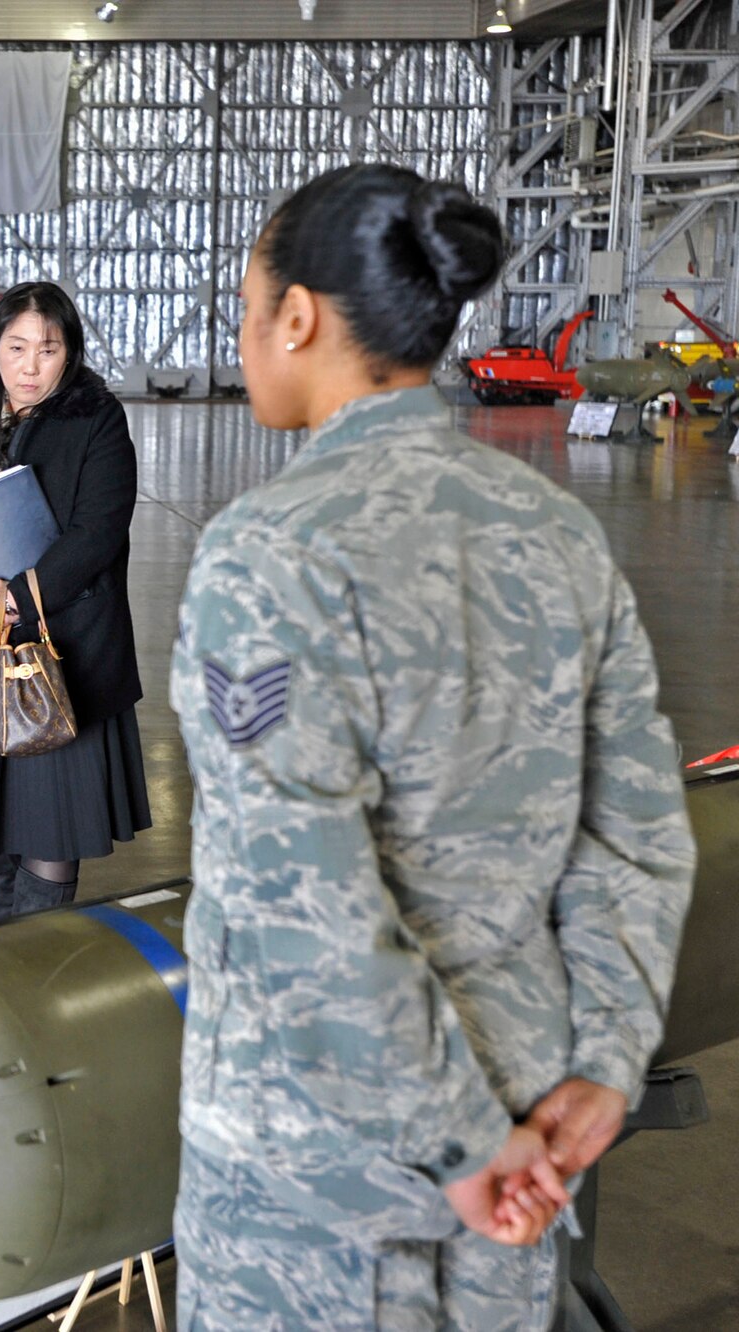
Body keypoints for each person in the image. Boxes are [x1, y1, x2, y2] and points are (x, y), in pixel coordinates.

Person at [169, 163, 697, 1330]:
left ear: (295, 316)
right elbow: (634, 836)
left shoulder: (270, 554)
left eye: (248, 302)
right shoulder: (553, 532)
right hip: (522, 1156)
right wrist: (602, 1069)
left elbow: (296, 898)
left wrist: (454, 1144)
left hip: (317, 1194)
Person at [0, 282, 151, 923]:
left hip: (63, 652)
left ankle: (21, 950)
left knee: (51, 831)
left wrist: (18, 597)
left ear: (68, 354)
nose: (29, 365)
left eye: (47, 350)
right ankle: (11, 934)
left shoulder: (97, 418)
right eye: (15, 348)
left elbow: (99, 530)